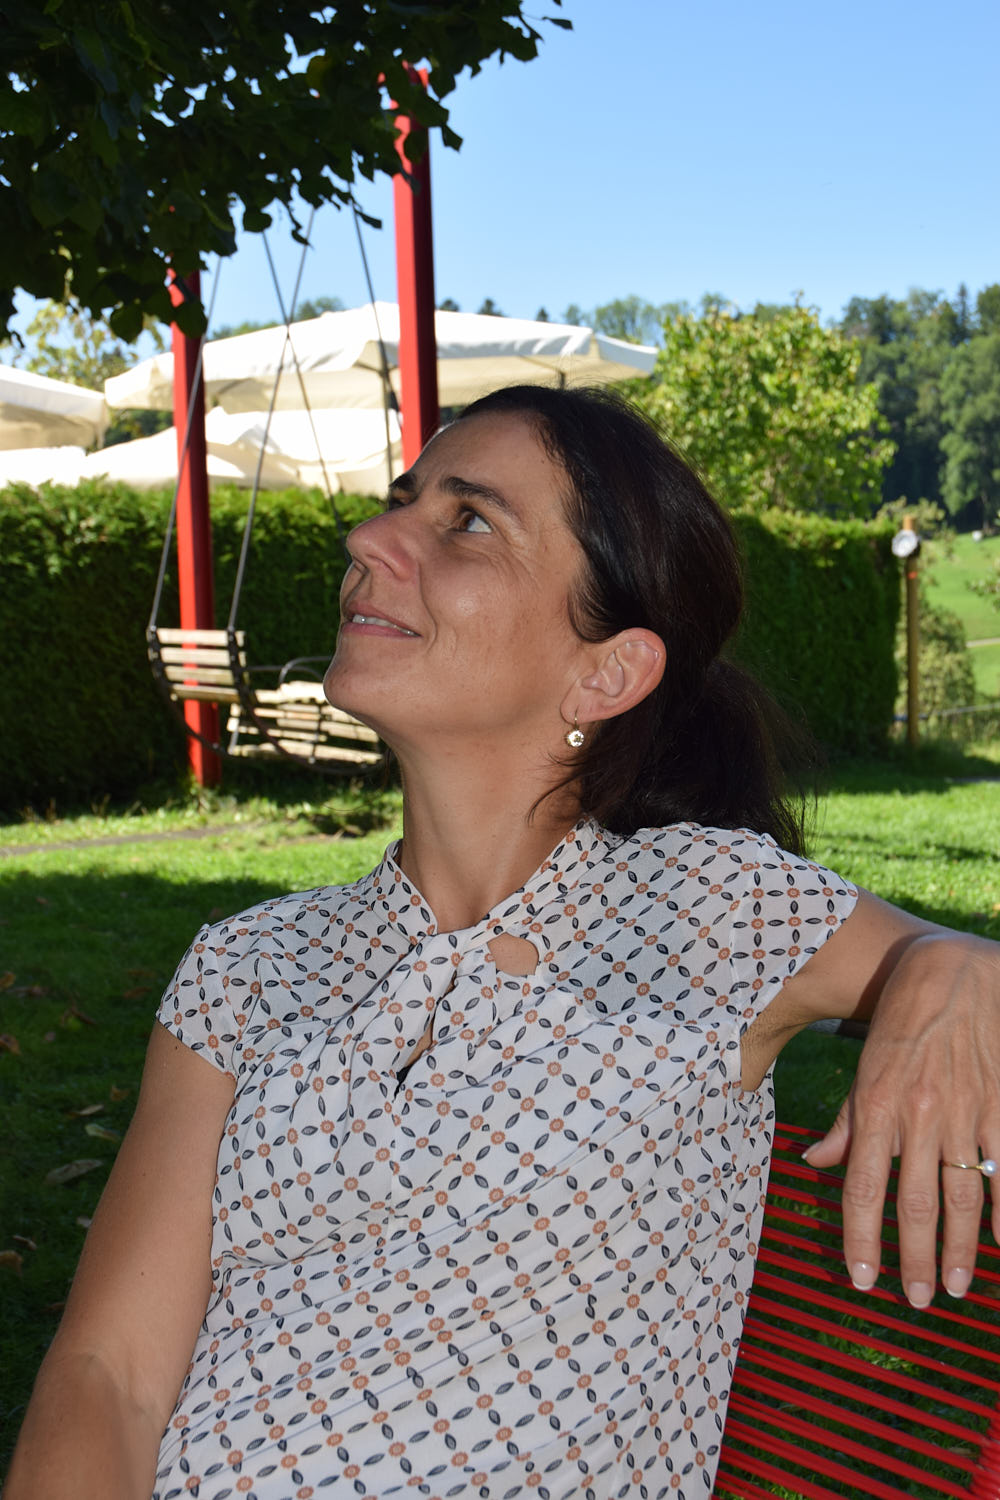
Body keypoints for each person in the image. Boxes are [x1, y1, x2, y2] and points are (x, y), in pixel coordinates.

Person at [7, 385, 998, 1500]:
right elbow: (109, 1374)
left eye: (467, 520)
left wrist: (954, 966)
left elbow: (973, 980)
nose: (368, 538)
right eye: (402, 502)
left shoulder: (706, 909)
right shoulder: (249, 967)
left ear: (605, 672)